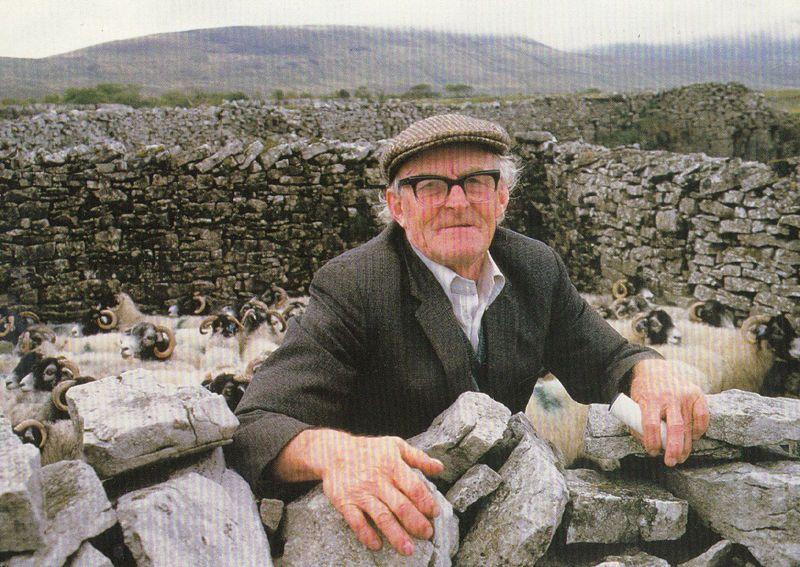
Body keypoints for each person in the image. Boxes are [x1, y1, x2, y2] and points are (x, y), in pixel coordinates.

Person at [229, 114, 709, 557]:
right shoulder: (355, 285)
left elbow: (606, 359)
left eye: (476, 182)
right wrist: (338, 453)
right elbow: (256, 425)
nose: (457, 202)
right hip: (388, 538)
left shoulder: (535, 268)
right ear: (397, 205)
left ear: (501, 197)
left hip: (503, 521)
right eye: (431, 186)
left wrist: (648, 371)